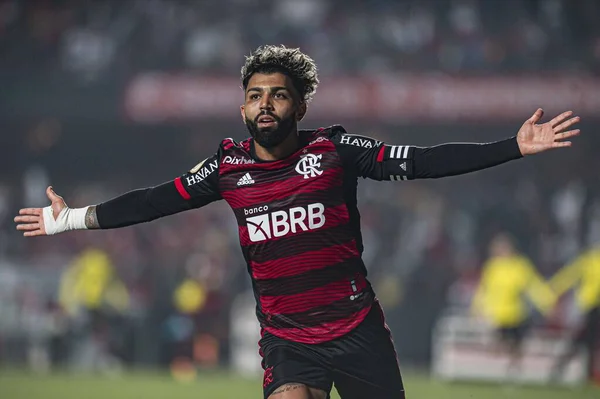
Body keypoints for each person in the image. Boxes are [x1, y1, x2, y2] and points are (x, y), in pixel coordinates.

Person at [14, 45, 581, 399]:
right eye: (255, 95)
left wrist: (512, 146)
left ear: (299, 107)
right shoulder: (226, 166)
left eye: (278, 95)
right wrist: (71, 221)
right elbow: (156, 200)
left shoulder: (335, 150)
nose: (266, 104)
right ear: (242, 108)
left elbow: (424, 160)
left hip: (357, 330)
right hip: (287, 339)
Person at [471, 232, 556, 381]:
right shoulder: (492, 268)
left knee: (516, 346)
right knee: (501, 344)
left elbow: (534, 286)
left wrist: (547, 302)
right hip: (498, 315)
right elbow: (483, 290)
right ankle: (501, 370)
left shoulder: (520, 266)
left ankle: (512, 373)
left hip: (516, 314)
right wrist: (477, 308)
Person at [549, 243, 600, 383]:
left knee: (587, 342)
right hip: (588, 307)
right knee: (583, 341)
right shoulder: (589, 260)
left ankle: (581, 373)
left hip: (594, 308)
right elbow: (570, 275)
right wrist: (553, 289)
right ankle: (564, 368)